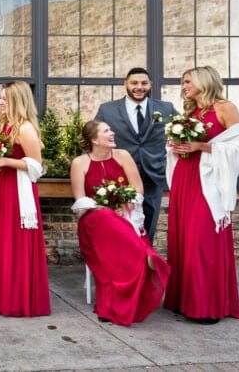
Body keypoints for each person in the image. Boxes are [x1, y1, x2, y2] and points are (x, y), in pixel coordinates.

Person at [164, 66, 239, 323]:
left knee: (202, 241)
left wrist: (201, 146)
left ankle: (206, 306)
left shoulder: (224, 108)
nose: (184, 86)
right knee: (183, 239)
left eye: (188, 81)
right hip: (185, 178)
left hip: (207, 183)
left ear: (204, 81)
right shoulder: (191, 112)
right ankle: (184, 300)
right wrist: (175, 148)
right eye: (183, 82)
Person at [70, 120, 170, 326]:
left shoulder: (124, 156)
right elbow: (80, 199)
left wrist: (126, 202)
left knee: (115, 228)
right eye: (107, 130)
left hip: (124, 216)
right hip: (94, 219)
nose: (112, 133)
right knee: (105, 217)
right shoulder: (79, 163)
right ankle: (146, 256)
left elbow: (138, 189)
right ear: (94, 139)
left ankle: (138, 261)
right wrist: (102, 207)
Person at [0, 81, 51, 317]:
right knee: (2, 243)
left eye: (5, 98)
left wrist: (7, 162)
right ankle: (3, 297)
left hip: (17, 193)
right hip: (2, 189)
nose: (0, 102)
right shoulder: (5, 127)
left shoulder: (25, 129)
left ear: (17, 100)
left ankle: (19, 299)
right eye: (0, 98)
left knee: (15, 242)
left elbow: (36, 167)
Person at [93, 68, 177, 241]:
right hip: (118, 177)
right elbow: (93, 139)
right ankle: (123, 265)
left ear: (150, 85)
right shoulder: (107, 110)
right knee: (120, 224)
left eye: (144, 83)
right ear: (126, 84)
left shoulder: (166, 108)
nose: (139, 87)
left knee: (148, 225)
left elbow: (182, 133)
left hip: (153, 176)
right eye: (134, 83)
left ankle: (146, 264)